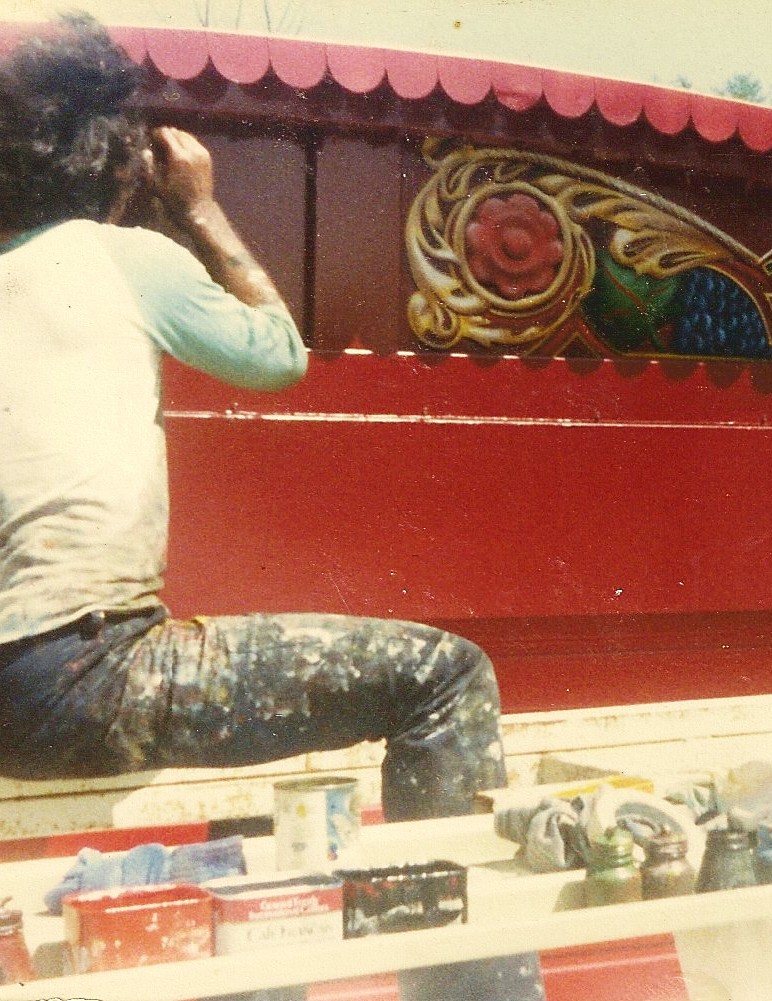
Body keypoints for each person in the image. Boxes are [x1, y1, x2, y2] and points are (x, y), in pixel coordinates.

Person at [0, 15, 543, 1000]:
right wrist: (199, 211)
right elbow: (276, 353)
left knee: (249, 794)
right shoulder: (122, 257)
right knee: (443, 675)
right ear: (117, 157)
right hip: (89, 677)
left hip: (20, 691)